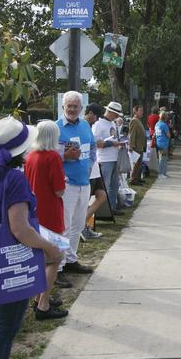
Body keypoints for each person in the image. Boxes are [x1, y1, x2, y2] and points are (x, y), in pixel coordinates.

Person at [0, 116, 63, 358]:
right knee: (6, 328)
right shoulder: (14, 177)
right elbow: (20, 229)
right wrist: (51, 249)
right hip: (9, 263)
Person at [24, 120, 69, 320]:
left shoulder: (30, 156)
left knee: (40, 258)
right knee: (54, 258)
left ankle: (39, 297)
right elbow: (59, 190)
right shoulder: (52, 157)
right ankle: (43, 304)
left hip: (34, 213)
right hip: (51, 212)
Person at [55, 91, 96, 288]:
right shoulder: (56, 128)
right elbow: (47, 157)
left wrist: (89, 166)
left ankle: (70, 260)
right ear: (63, 107)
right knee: (63, 227)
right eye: (69, 106)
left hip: (84, 183)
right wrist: (64, 156)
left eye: (75, 106)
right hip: (66, 185)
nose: (72, 109)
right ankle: (58, 267)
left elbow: (93, 148)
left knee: (78, 225)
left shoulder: (85, 124)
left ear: (81, 108)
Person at [93, 101, 124, 215]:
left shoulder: (112, 123)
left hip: (114, 157)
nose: (116, 117)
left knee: (114, 184)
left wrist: (119, 143)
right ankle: (102, 210)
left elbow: (113, 138)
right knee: (105, 185)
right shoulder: (98, 124)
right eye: (115, 114)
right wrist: (113, 144)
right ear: (109, 112)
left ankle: (111, 208)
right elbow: (97, 143)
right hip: (104, 159)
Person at [83, 103, 107, 239]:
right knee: (84, 201)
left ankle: (82, 224)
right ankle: (83, 226)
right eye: (96, 117)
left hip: (94, 169)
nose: (97, 120)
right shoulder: (83, 126)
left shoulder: (89, 126)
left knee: (102, 196)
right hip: (88, 171)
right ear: (90, 113)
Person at [128, 105, 146, 185]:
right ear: (135, 111)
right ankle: (133, 179)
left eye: (142, 110)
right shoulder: (134, 121)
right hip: (136, 146)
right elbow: (132, 134)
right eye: (140, 110)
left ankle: (138, 178)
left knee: (139, 163)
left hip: (140, 146)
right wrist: (131, 146)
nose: (142, 112)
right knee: (136, 164)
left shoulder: (138, 120)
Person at [155, 111, 171, 178]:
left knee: (161, 158)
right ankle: (161, 173)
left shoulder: (157, 124)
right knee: (163, 159)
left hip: (158, 142)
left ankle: (163, 172)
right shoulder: (164, 125)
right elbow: (168, 135)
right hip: (164, 144)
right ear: (165, 117)